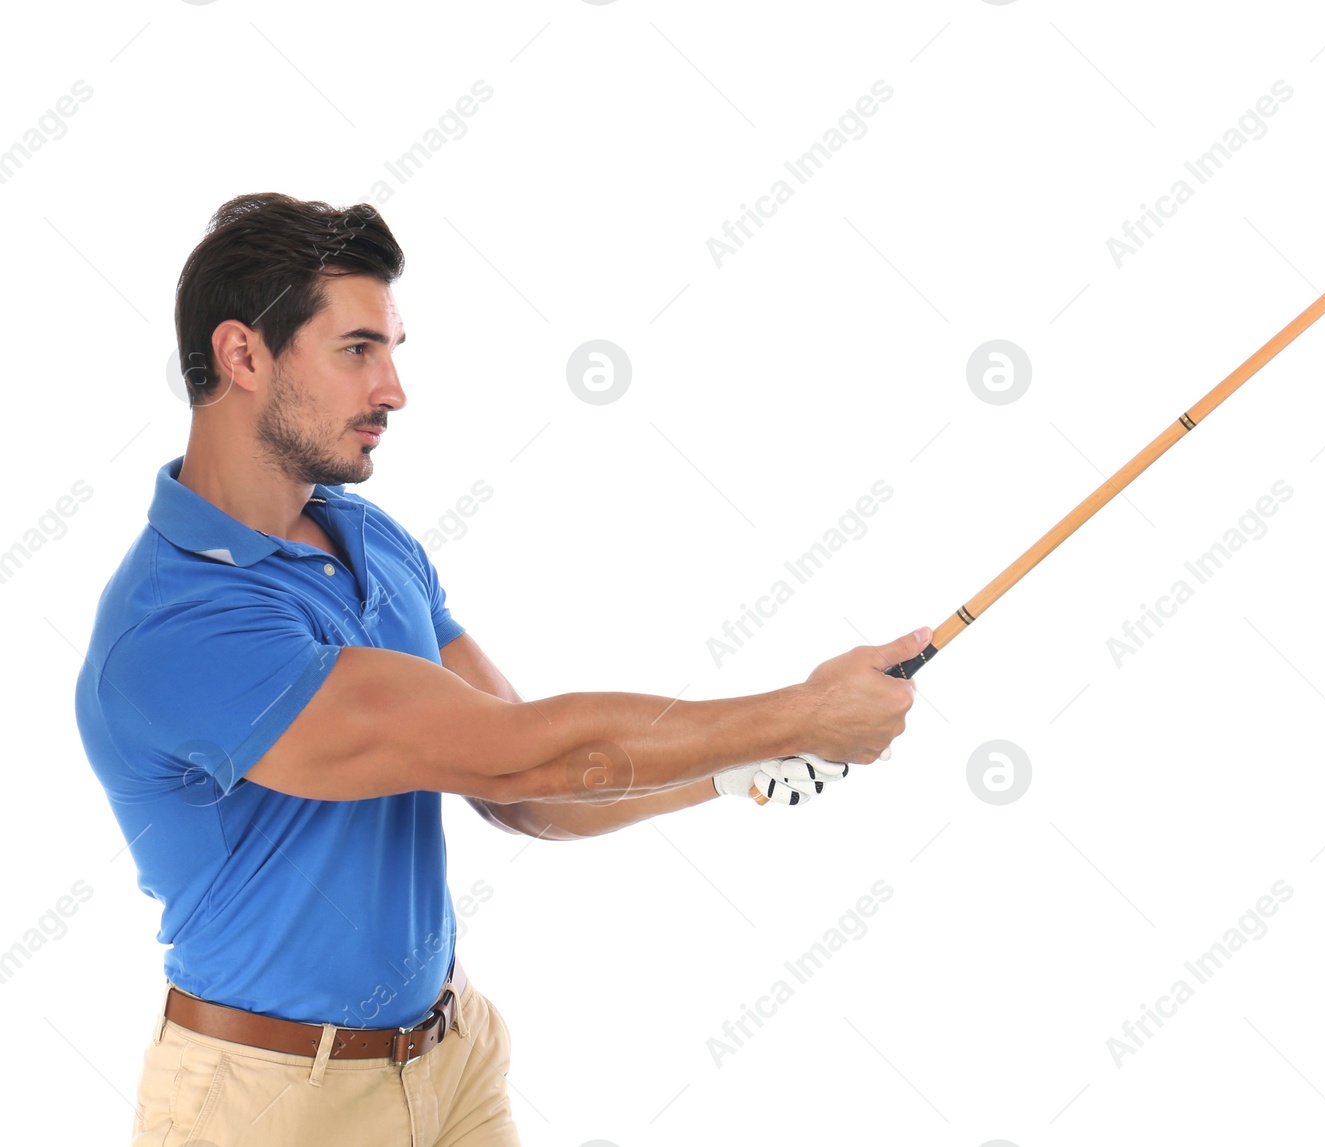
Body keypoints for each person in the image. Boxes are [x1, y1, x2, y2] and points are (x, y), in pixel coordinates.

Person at [73, 192, 925, 1146]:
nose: (394, 388)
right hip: (272, 1100)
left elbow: (526, 801)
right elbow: (522, 756)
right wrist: (800, 715)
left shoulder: (366, 538)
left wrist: (729, 772)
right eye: (358, 349)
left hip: (450, 1056)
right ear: (242, 355)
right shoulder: (180, 625)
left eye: (394, 349)